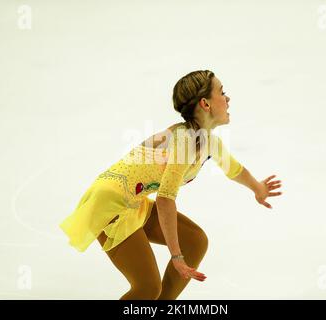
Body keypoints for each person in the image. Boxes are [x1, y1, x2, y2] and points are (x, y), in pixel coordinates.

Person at [59, 70, 283, 300]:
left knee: (195, 241)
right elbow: (165, 199)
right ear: (205, 104)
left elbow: (234, 169)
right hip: (111, 203)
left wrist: (258, 188)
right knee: (146, 288)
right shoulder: (184, 142)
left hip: (132, 201)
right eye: (221, 92)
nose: (228, 98)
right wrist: (176, 257)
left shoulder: (206, 141)